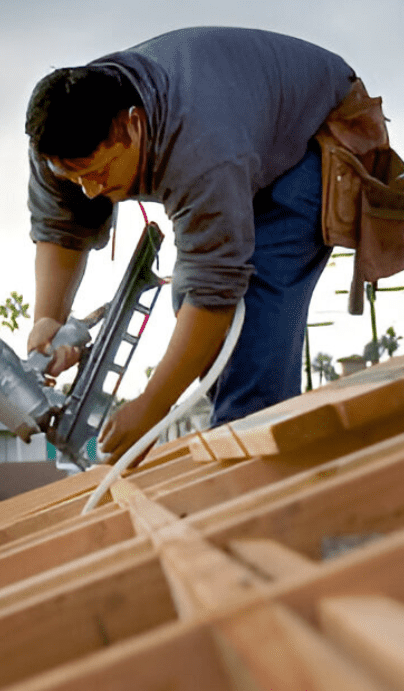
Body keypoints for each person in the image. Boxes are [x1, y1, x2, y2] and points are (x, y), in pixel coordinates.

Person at [23, 27, 359, 461]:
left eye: (100, 172)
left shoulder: (200, 146)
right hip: (240, 128)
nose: (90, 191)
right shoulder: (58, 142)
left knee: (253, 318)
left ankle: (254, 456)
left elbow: (215, 290)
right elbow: (61, 231)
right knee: (188, 302)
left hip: (309, 138)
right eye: (74, 178)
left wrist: (151, 407)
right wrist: (47, 319)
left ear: (133, 124)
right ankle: (242, 428)